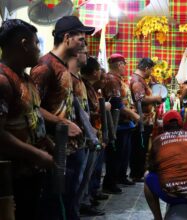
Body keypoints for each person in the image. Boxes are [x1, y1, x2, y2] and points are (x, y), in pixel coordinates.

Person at [30, 15, 94, 220]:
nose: (84, 44)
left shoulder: (64, 67)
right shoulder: (45, 67)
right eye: (81, 39)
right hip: (55, 150)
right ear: (67, 38)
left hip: (71, 147)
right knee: (56, 206)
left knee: (69, 201)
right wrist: (62, 122)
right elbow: (32, 108)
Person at [0, 19, 54, 220]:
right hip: (12, 177)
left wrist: (46, 143)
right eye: (36, 43)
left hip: (31, 170)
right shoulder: (3, 80)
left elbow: (32, 115)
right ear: (24, 44)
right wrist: (36, 154)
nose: (38, 49)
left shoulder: (26, 78)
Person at [102, 53, 139, 193]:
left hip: (124, 123)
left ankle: (121, 177)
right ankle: (110, 183)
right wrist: (134, 114)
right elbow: (117, 104)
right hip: (116, 123)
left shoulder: (118, 79)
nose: (125, 68)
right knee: (115, 156)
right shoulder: (111, 79)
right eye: (124, 64)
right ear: (119, 65)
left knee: (123, 154)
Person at [80, 56, 110, 207]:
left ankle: (89, 197)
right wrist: (102, 109)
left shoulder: (90, 88)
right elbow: (85, 111)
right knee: (85, 173)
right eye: (98, 70)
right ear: (93, 72)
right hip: (87, 134)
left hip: (95, 133)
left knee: (90, 171)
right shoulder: (83, 86)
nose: (100, 73)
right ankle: (84, 202)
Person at [130, 58, 162, 181]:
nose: (152, 72)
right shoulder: (137, 81)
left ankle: (138, 172)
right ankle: (137, 174)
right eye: (151, 69)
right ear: (146, 68)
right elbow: (140, 99)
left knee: (140, 147)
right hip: (141, 120)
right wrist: (155, 98)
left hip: (144, 119)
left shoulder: (140, 80)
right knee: (139, 147)